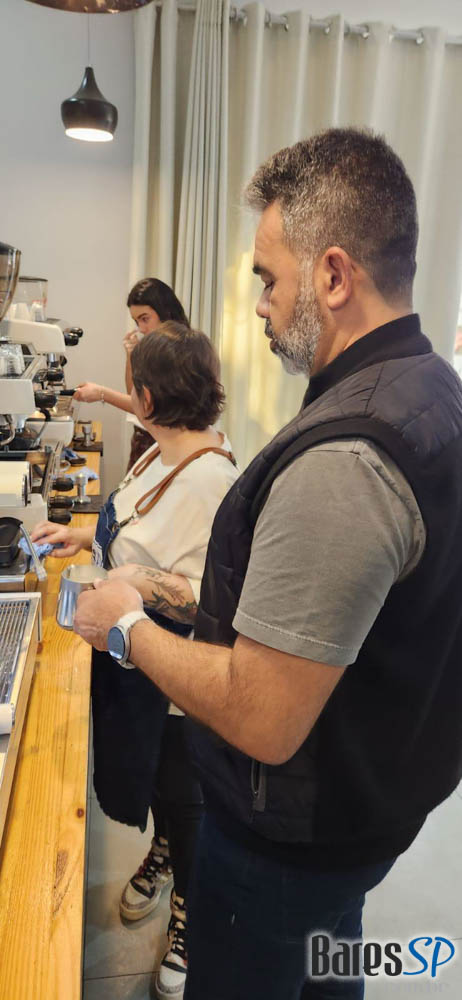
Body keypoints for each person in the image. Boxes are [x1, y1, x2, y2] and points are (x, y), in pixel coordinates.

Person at [73, 127, 462, 999]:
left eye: (269, 279)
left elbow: (263, 717)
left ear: (334, 276)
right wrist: (155, 585)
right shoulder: (432, 389)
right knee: (328, 956)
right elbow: (323, 613)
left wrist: (125, 627)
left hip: (286, 841)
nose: (259, 304)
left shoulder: (347, 459)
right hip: (365, 812)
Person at [32, 322, 239, 999]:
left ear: (146, 398)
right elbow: (134, 527)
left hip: (175, 681)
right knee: (156, 786)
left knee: (183, 796)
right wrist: (79, 533)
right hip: (135, 667)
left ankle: (189, 916)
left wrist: (132, 585)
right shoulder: (163, 453)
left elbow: (210, 597)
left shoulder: (211, 480)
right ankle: (164, 852)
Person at [74, 277, 190, 467]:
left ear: (165, 311)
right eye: (137, 321)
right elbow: (134, 394)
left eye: (145, 319)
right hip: (146, 439)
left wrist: (101, 393)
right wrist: (131, 356)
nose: (141, 329)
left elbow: (145, 407)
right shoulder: (155, 346)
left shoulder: (180, 350)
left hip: (163, 445)